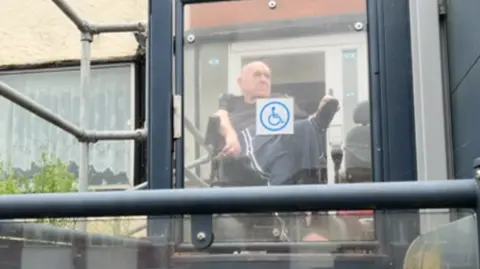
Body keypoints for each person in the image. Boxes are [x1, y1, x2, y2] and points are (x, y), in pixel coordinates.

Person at [215, 61, 339, 186]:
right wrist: (230, 136)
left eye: (267, 76)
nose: (264, 80)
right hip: (250, 149)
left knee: (304, 129)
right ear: (240, 82)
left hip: (280, 147)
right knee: (261, 135)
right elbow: (219, 118)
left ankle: (317, 123)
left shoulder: (280, 101)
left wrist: (321, 110)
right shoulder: (232, 105)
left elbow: (302, 127)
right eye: (257, 75)